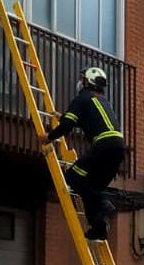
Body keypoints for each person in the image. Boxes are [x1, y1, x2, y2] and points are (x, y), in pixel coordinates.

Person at [43, 67, 124, 240]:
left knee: (72, 177)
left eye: (83, 80)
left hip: (103, 145)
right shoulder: (103, 102)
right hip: (117, 147)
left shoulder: (83, 98)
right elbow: (87, 121)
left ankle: (104, 202)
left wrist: (48, 137)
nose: (81, 82)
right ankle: (99, 227)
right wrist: (63, 116)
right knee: (89, 188)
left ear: (88, 82)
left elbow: (68, 125)